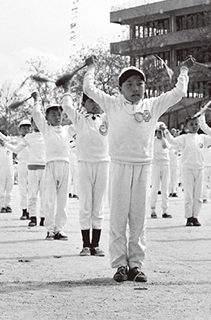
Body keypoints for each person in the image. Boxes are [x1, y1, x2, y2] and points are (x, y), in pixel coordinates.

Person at [83, 55, 194, 283]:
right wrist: (91, 68)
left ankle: (135, 264)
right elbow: (89, 88)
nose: (135, 89)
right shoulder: (112, 104)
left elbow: (178, 93)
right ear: (120, 89)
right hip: (119, 166)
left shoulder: (152, 105)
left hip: (143, 167)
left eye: (139, 84)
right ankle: (119, 265)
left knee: (138, 219)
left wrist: (183, 71)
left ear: (145, 87)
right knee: (117, 219)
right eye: (129, 85)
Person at [62, 91, 109, 256]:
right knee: (86, 205)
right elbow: (67, 106)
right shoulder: (80, 120)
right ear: (84, 103)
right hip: (84, 164)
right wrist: (67, 91)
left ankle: (95, 245)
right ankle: (85, 244)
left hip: (103, 163)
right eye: (90, 101)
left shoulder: (107, 118)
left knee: (99, 205)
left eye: (97, 101)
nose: (95, 104)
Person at [32, 95, 74, 241]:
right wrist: (36, 100)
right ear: (47, 117)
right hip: (50, 166)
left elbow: (82, 122)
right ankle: (50, 229)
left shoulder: (68, 129)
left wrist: (67, 98)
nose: (57, 117)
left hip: (65, 166)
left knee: (63, 200)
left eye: (59, 114)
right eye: (53, 115)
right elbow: (36, 114)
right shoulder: (46, 129)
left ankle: (59, 229)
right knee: (49, 199)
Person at [165, 115, 211, 227]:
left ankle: (195, 216)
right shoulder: (184, 138)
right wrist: (165, 131)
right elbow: (172, 141)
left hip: (200, 169)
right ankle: (188, 217)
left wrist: (202, 118)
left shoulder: (203, 138)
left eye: (196, 124)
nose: (194, 126)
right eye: (191, 124)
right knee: (189, 195)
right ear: (186, 127)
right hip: (187, 169)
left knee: (198, 195)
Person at [0, 120, 32, 220]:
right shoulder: (16, 139)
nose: (26, 129)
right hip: (22, 164)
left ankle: (32, 211)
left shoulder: (34, 137)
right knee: (23, 189)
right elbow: (5, 139)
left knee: (32, 190)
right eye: (23, 127)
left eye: (28, 127)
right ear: (19, 129)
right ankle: (24, 211)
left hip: (33, 164)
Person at [149, 122, 172, 219]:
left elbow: (164, 145)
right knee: (154, 188)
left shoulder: (165, 140)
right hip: (156, 165)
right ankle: (153, 210)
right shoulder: (152, 141)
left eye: (161, 131)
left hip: (165, 164)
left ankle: (165, 210)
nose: (160, 133)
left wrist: (163, 135)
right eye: (158, 131)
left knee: (165, 188)